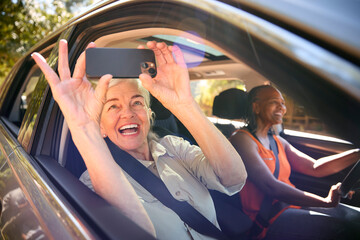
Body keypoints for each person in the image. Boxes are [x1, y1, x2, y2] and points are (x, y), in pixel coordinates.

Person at [32, 39, 247, 239]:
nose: (128, 113)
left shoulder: (174, 146)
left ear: (149, 115)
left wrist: (185, 105)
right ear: (102, 127)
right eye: (113, 106)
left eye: (137, 102)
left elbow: (234, 178)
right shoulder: (94, 180)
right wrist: (85, 129)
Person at [229, 85, 360, 240]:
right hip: (267, 220)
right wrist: (325, 202)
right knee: (344, 229)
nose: (282, 108)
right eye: (274, 102)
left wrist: (356, 154)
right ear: (255, 107)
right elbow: (271, 186)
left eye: (283, 103)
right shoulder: (241, 140)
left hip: (290, 205)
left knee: (356, 219)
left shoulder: (278, 141)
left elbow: (315, 168)